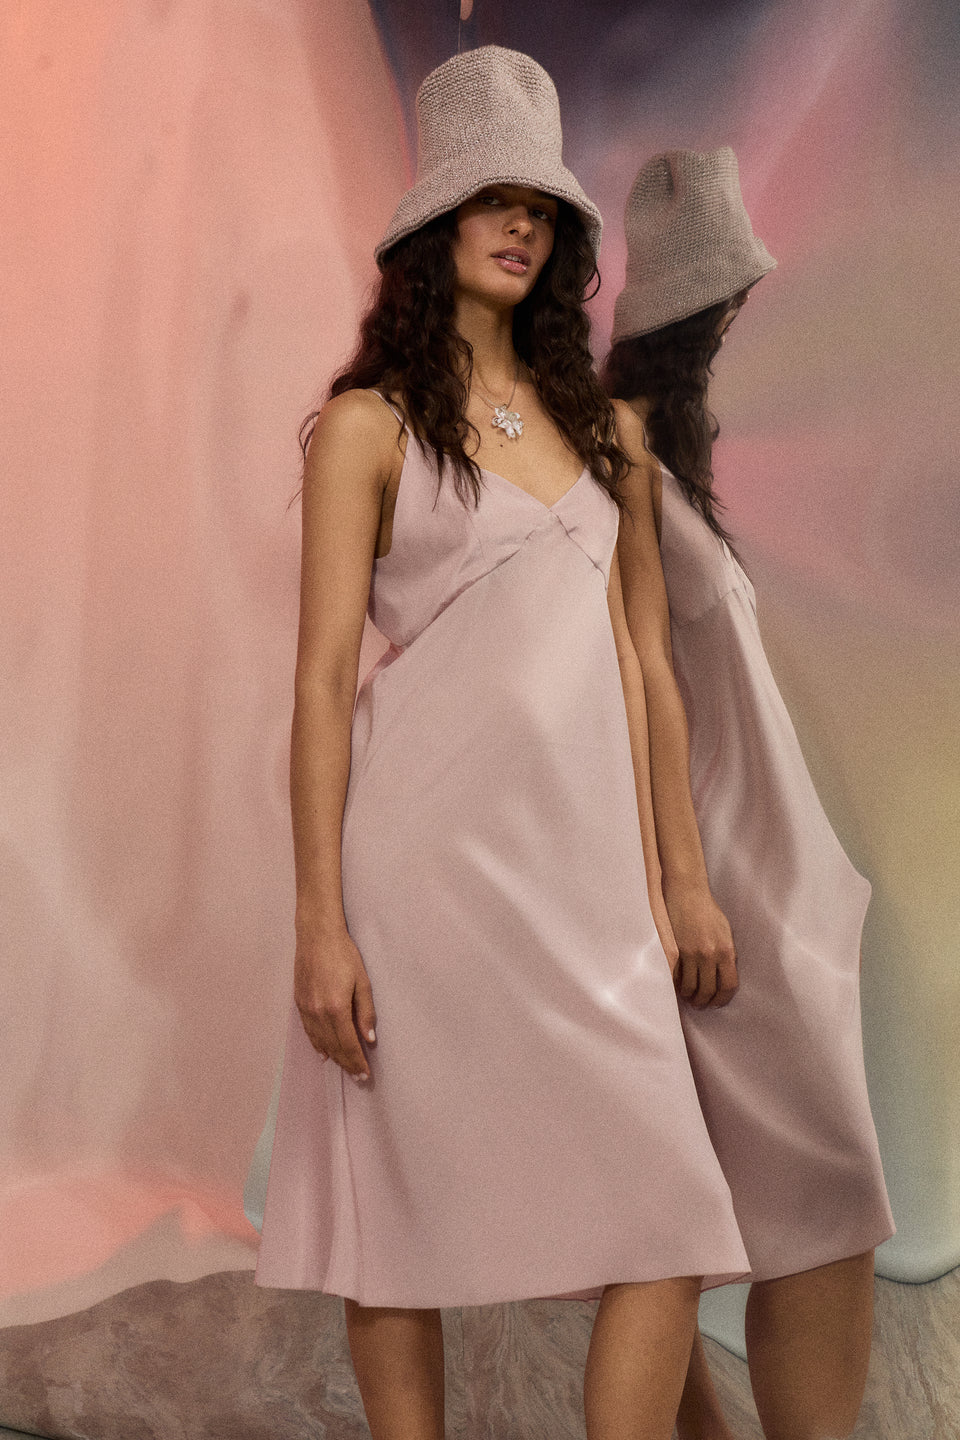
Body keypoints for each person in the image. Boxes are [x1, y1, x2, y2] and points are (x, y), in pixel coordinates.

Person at [255, 49, 751, 1440]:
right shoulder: (366, 428)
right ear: (436, 224)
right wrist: (318, 924)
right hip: (421, 878)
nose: (522, 222)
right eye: (494, 197)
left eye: (542, 205)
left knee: (664, 1216)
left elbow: (645, 664)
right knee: (394, 1217)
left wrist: (682, 877)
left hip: (585, 882)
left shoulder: (603, 434)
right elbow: (320, 684)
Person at [603, 147, 896, 1440]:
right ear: (700, 308)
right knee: (817, 1198)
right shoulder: (623, 452)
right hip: (727, 879)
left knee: (703, 1197)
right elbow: (632, 676)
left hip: (765, 871)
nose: (737, 319)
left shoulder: (660, 456)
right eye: (730, 299)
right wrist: (681, 884)